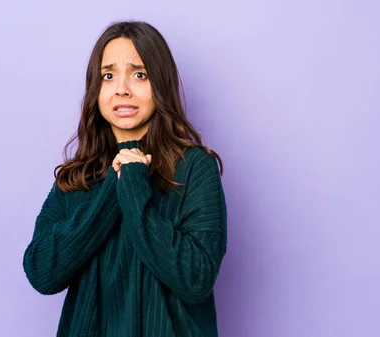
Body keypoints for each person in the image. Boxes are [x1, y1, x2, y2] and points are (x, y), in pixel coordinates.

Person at [22, 21, 227, 337]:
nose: (122, 89)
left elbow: (195, 278)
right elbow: (42, 272)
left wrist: (133, 184)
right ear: (96, 89)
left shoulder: (194, 168)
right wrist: (112, 190)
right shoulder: (78, 177)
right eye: (108, 76)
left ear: (160, 84)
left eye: (139, 75)